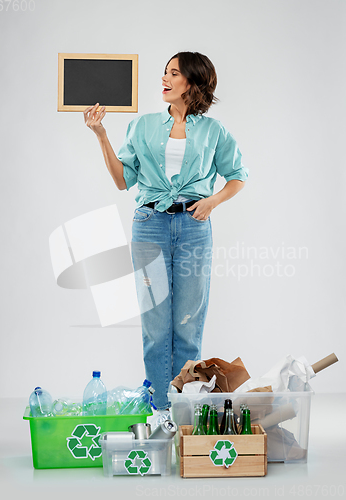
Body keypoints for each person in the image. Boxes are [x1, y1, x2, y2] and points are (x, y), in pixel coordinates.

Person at [84, 51, 248, 419]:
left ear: (192, 82)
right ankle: (159, 409)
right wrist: (101, 135)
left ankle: (184, 409)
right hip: (150, 226)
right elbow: (122, 180)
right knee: (156, 325)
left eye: (174, 73)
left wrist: (212, 202)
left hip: (193, 227)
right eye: (165, 72)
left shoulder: (214, 131)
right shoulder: (142, 126)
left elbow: (238, 175)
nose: (165, 79)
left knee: (189, 323)